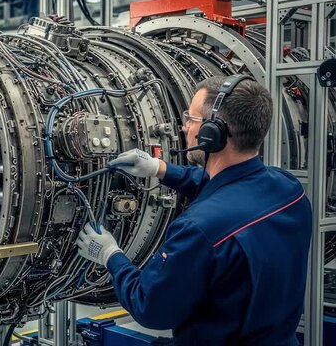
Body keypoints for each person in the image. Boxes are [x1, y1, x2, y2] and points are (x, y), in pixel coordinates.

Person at [77, 75, 312, 345]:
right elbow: (225, 190)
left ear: (214, 134)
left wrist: (111, 256)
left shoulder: (199, 229)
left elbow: (150, 307)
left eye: (192, 119)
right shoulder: (289, 189)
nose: (184, 126)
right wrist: (160, 169)